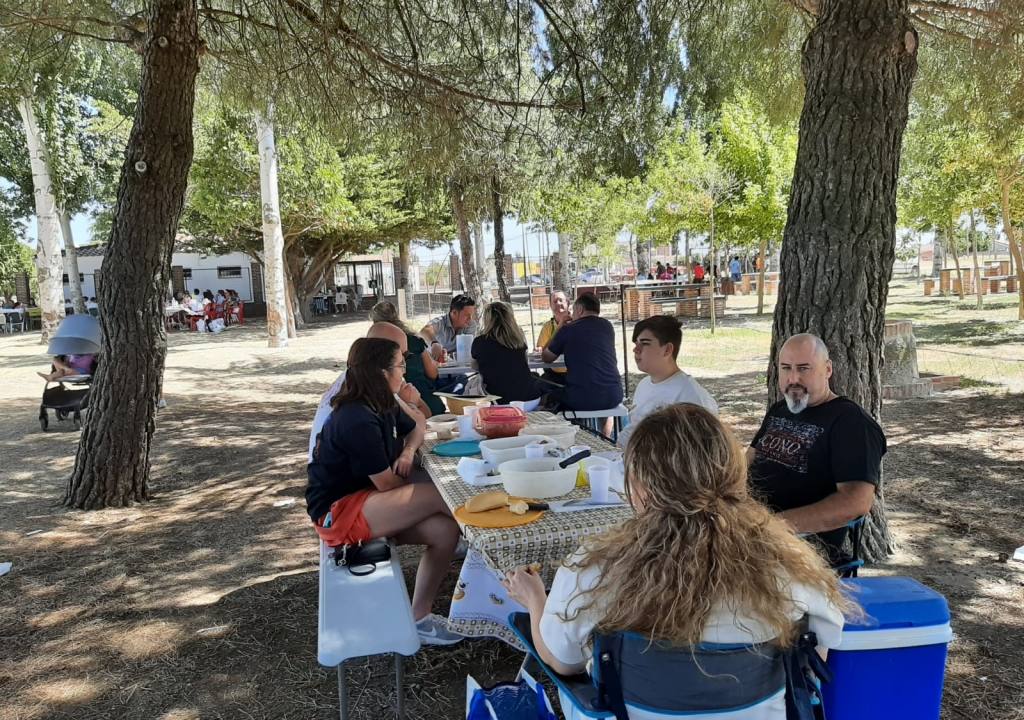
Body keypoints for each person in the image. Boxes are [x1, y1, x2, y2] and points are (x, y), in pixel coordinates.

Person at [504, 404, 849, 718]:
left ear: (640, 488)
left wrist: (536, 599)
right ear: (734, 474)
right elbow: (819, 650)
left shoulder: (594, 570)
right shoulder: (788, 564)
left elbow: (561, 662)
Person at [306, 337, 462, 645]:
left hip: (369, 501)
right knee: (438, 494)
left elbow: (418, 425)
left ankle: (420, 616)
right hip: (337, 513)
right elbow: (390, 485)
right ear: (380, 372)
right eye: (401, 366)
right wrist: (419, 485)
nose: (405, 373)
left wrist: (407, 454)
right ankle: (486, 536)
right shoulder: (356, 419)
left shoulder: (383, 402)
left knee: (445, 531)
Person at [747, 333, 885, 566]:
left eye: (804, 368)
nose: (793, 378)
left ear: (828, 369)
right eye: (786, 368)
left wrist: (773, 526)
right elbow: (746, 463)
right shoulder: (779, 410)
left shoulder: (850, 422)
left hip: (801, 549)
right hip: (750, 529)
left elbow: (855, 503)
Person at [617, 316, 717, 448]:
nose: (636, 349)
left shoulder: (692, 397)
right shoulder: (644, 385)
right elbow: (633, 429)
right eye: (636, 344)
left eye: (645, 343)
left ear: (668, 350)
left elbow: (701, 453)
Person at [541, 293, 622, 412]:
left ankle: (566, 428)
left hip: (582, 398)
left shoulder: (568, 329)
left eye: (573, 311)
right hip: (614, 395)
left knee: (544, 389)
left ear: (580, 309)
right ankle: (604, 431)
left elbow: (546, 357)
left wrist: (559, 327)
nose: (572, 315)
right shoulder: (607, 326)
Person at [370, 301, 444, 416]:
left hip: (422, 403)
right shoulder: (414, 341)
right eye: (400, 362)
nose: (404, 368)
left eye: (406, 357)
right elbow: (433, 373)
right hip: (424, 402)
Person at [471, 302, 542, 406]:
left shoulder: (479, 342)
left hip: (499, 401)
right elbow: (524, 362)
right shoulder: (518, 341)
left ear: (487, 320)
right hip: (531, 399)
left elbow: (474, 366)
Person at [420, 294, 477, 362]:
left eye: (471, 315)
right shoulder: (441, 322)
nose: (470, 319)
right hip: (437, 364)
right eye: (467, 315)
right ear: (454, 312)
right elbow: (425, 330)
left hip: (459, 365)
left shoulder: (470, 325)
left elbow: (467, 351)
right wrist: (435, 343)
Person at [535, 291, 570, 384]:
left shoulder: (577, 323)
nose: (558, 303)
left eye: (560, 300)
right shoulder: (547, 326)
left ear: (568, 303)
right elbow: (541, 349)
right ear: (550, 306)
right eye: (554, 301)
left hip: (575, 373)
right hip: (553, 374)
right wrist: (538, 349)